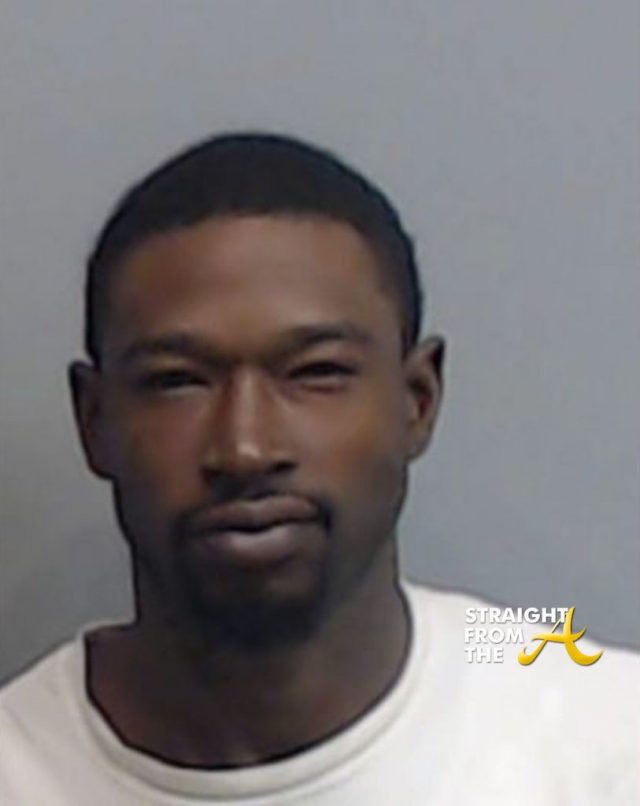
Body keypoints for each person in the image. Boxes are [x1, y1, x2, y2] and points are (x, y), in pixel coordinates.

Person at [0, 133, 637, 805]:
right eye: (177, 381)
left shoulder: (605, 738)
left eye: (316, 372)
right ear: (94, 420)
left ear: (417, 400)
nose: (245, 448)